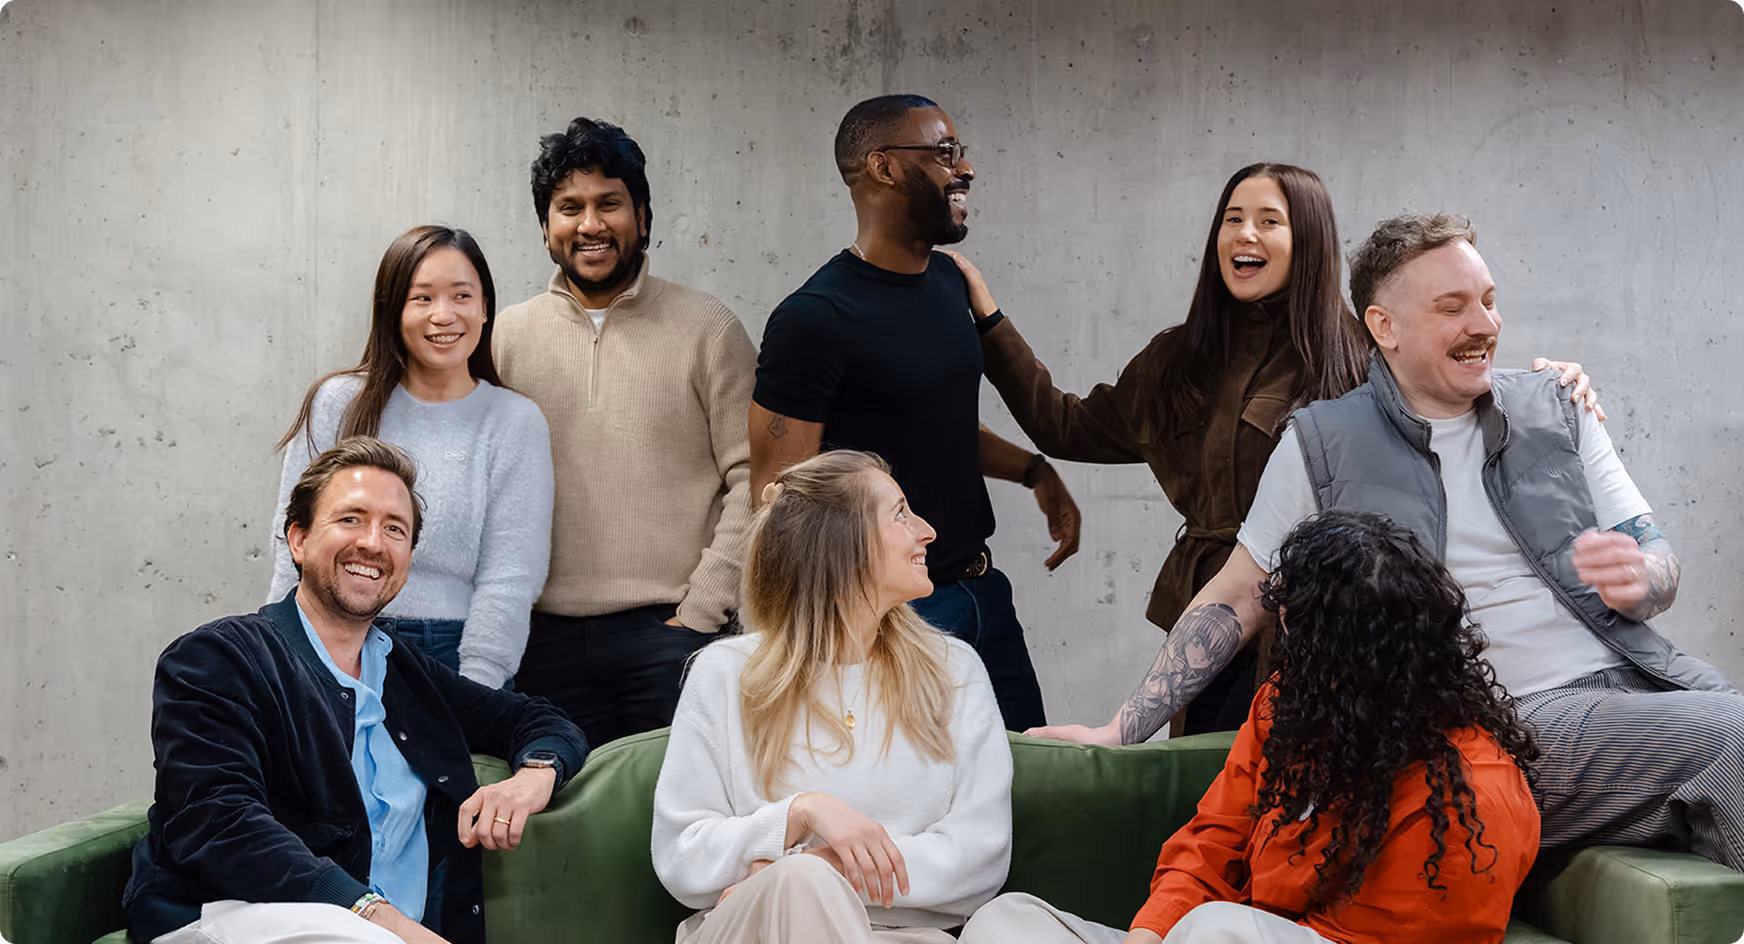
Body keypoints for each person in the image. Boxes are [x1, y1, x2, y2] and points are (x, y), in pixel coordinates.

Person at [1049, 212, 1744, 871]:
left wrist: (1642, 577)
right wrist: (1120, 729)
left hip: (1642, 686)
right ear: (1383, 326)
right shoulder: (1322, 444)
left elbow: (1659, 560)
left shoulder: (1556, 405)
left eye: (1490, 300)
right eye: (1453, 307)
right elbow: (1237, 597)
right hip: (1499, 727)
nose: (1486, 325)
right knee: (1732, 737)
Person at [950, 163, 1600, 739]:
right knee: (1211, 812)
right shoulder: (1175, 361)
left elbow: (1453, 407)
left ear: (1308, 240)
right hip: (1217, 626)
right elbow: (1064, 425)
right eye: (1233, 219)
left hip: (1325, 641)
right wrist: (987, 321)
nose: (1246, 235)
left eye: (1269, 220)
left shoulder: (1358, 357)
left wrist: (1555, 387)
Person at [959, 510, 1542, 944]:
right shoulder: (1288, 707)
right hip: (1212, 936)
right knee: (1004, 924)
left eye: (1296, 626)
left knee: (1219, 932)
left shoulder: (1469, 798)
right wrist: (1151, 933)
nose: (1280, 632)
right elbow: (1215, 837)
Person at [126, 438, 589, 944]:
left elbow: (536, 720)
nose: (373, 542)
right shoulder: (219, 658)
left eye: (395, 529)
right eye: (351, 519)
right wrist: (378, 918)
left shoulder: (406, 670)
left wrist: (535, 776)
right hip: (238, 916)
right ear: (298, 540)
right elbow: (219, 823)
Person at [750, 93, 1080, 732]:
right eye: (945, 152)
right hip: (896, 618)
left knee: (1032, 783)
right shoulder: (813, 318)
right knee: (919, 804)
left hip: (984, 591)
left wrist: (1034, 471)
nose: (967, 169)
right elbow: (778, 499)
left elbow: (934, 418)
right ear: (883, 167)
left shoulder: (949, 283)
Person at [651, 450, 1013, 943]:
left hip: (903, 937)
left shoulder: (955, 671)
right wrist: (800, 813)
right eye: (901, 514)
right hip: (756, 930)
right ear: (845, 545)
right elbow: (681, 855)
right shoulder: (725, 674)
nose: (926, 531)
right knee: (800, 884)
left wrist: (831, 864)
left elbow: (980, 855)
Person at [492, 117, 758, 745]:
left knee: (675, 829)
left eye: (609, 203)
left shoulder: (709, 328)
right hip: (539, 645)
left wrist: (700, 612)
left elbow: (756, 477)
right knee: (556, 828)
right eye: (570, 207)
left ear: (642, 215)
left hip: (670, 640)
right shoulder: (503, 337)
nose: (590, 224)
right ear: (545, 227)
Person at [270, 225, 553, 688]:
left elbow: (511, 578)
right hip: (331, 641)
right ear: (393, 310)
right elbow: (292, 546)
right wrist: (284, 657)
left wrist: (477, 690)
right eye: (422, 298)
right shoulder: (338, 403)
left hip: (451, 653)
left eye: (461, 296)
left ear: (485, 308)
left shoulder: (513, 421)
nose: (443, 315)